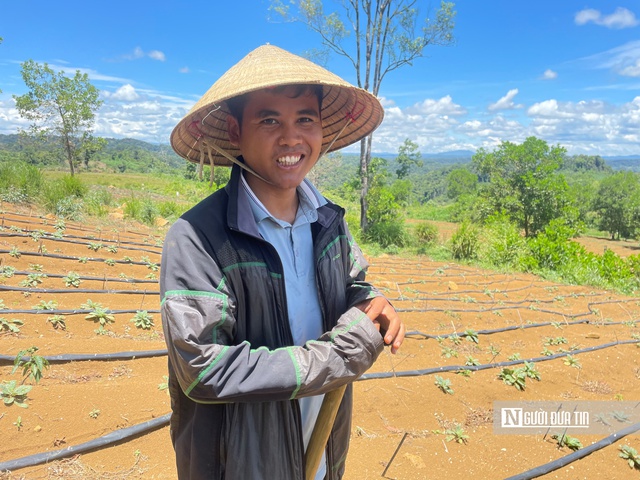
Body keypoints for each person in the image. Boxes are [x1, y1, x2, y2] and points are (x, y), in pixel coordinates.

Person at [161, 44, 405, 480]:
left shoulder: (329, 221)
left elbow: (350, 288)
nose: (291, 137)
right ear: (235, 131)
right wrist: (338, 357)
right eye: (269, 119)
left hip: (321, 445)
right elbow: (202, 368)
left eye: (305, 119)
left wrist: (372, 301)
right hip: (238, 466)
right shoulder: (196, 237)